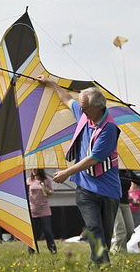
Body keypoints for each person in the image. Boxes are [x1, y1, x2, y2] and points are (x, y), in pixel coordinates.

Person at [36, 75, 121, 268]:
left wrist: (66, 172)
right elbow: (67, 99)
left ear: (98, 107)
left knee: (104, 238)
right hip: (85, 188)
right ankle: (104, 266)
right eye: (81, 108)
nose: (81, 111)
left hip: (108, 190)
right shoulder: (84, 115)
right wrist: (50, 83)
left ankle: (96, 265)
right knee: (94, 228)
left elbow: (93, 159)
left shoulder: (109, 129)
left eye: (85, 108)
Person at [111, 170, 140, 254]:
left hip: (125, 203)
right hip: (114, 203)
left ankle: (114, 249)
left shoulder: (128, 172)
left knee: (130, 232)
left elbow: (138, 180)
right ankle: (121, 255)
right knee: (121, 231)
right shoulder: (113, 169)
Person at [27, 168, 56, 254]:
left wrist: (46, 189)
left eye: (35, 169)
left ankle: (52, 250)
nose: (33, 171)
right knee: (33, 232)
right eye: (32, 169)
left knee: (47, 231)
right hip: (33, 208)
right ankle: (31, 251)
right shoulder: (29, 180)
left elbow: (51, 192)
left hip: (44, 209)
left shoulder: (46, 181)